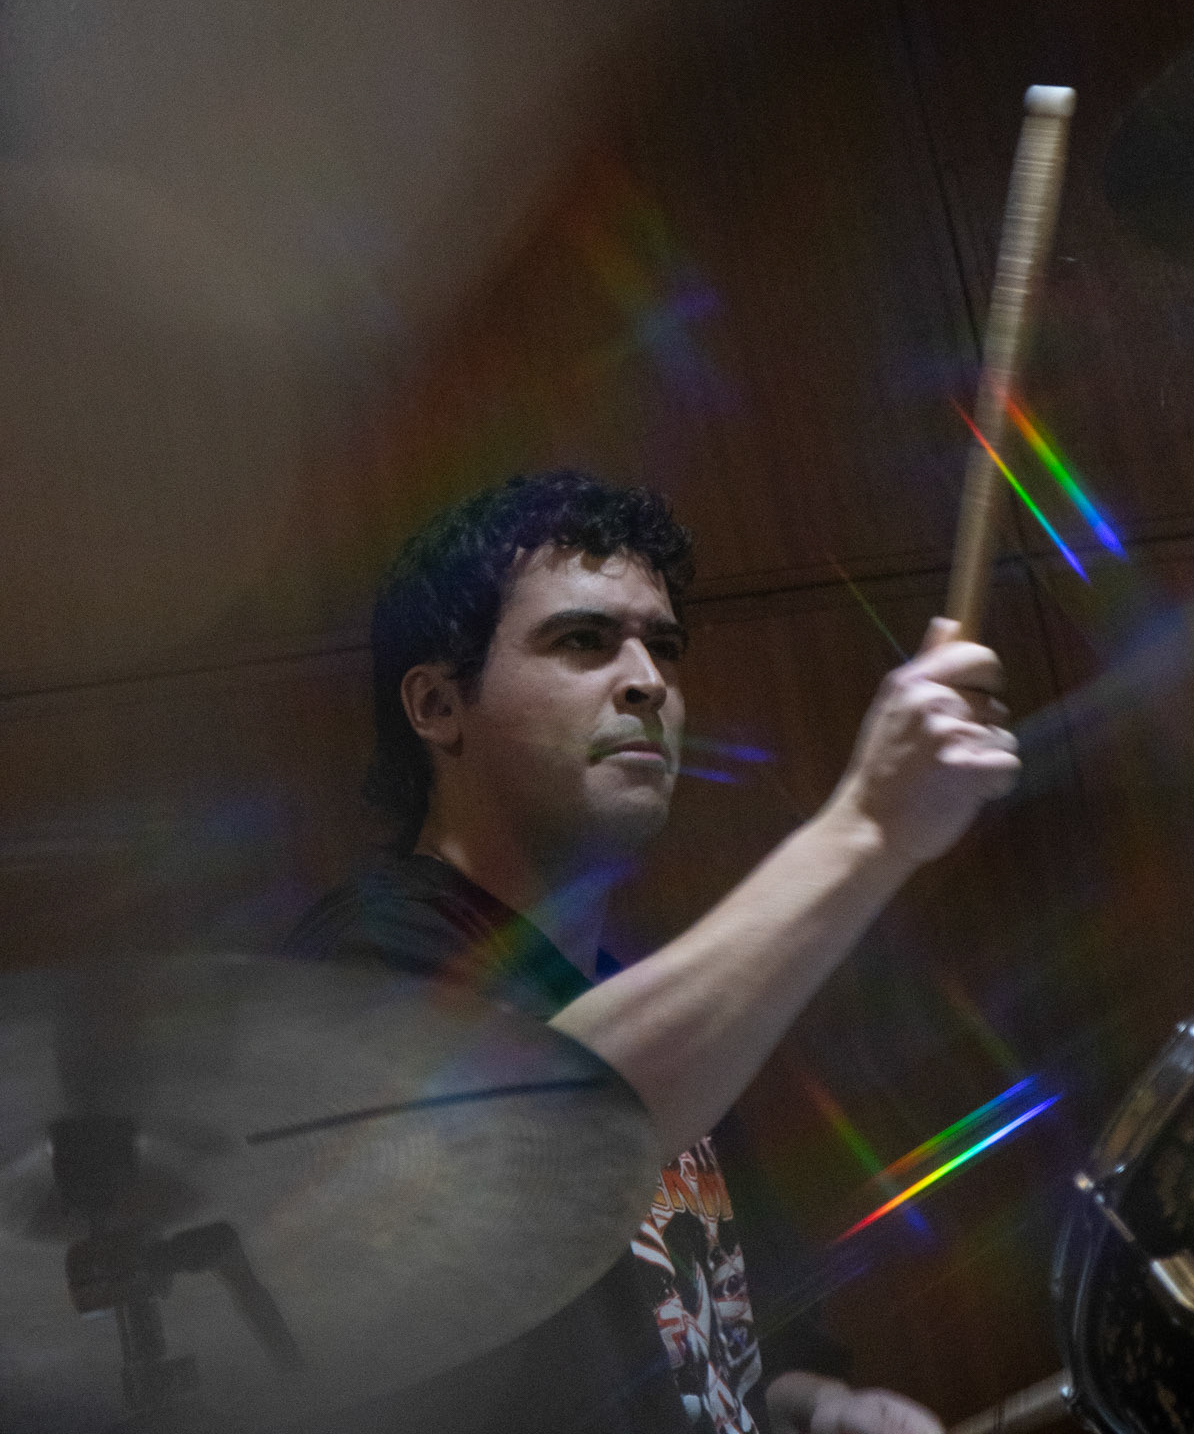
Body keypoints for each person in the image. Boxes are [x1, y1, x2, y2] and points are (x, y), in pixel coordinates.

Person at [289, 469, 1019, 1434]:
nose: (647, 681)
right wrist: (867, 826)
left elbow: (731, 1348)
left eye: (663, 646)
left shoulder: (651, 999)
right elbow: (543, 1138)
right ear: (436, 705)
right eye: (583, 641)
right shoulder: (361, 961)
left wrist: (823, 1407)